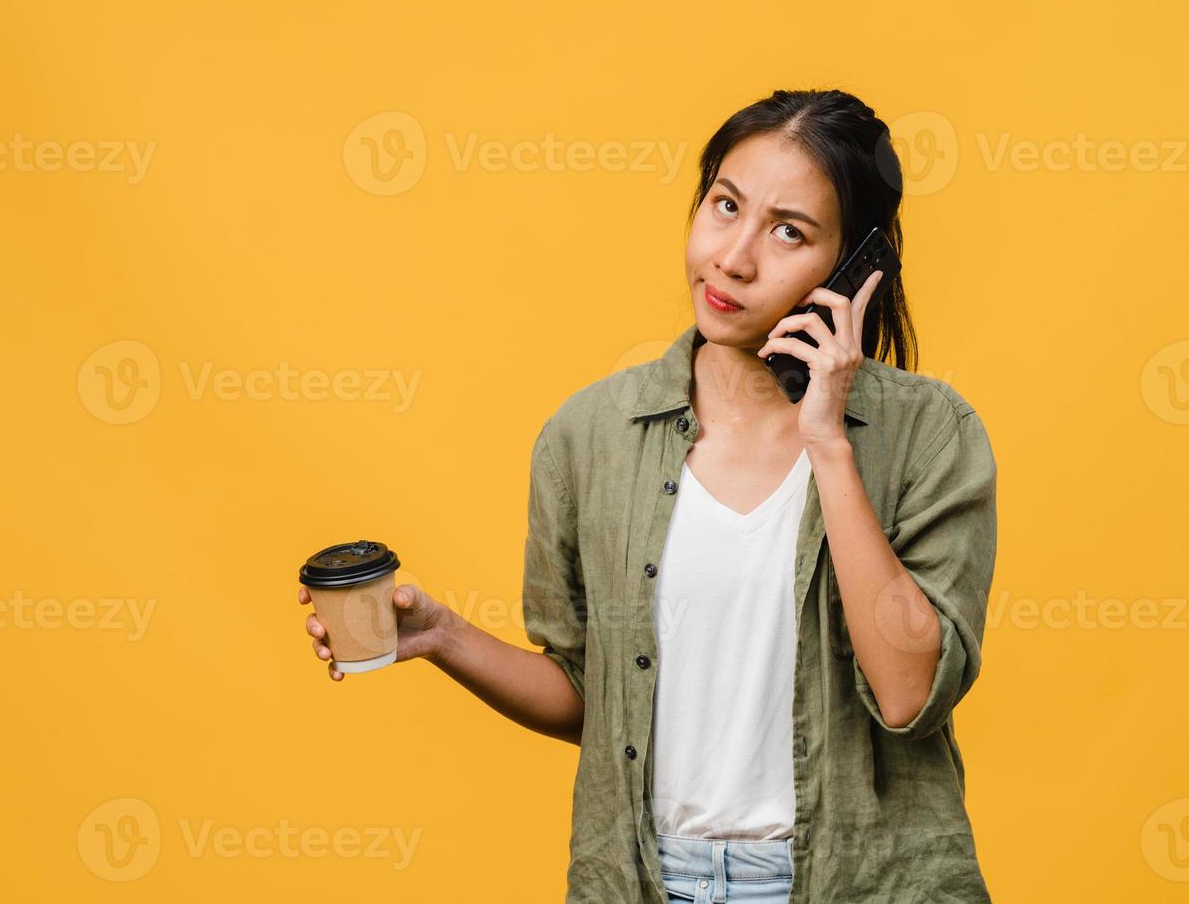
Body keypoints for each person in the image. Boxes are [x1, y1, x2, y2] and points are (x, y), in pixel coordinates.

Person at [298, 88, 998, 903]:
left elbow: (910, 690)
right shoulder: (588, 435)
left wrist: (829, 447)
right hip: (644, 881)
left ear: (857, 267)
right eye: (724, 205)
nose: (733, 257)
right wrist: (442, 636)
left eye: (788, 232)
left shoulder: (929, 435)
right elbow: (592, 703)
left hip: (864, 883)